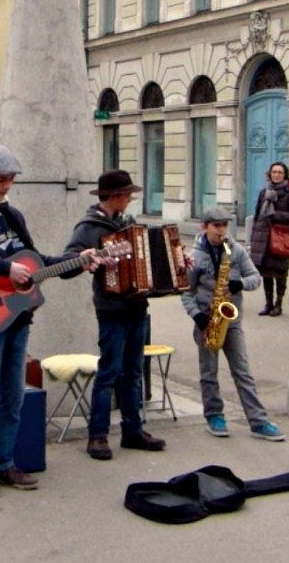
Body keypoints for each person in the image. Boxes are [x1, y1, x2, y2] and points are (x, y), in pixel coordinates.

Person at [0, 144, 99, 497]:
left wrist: (78, 261)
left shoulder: (12, 216)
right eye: (0, 180)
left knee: (12, 397)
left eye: (11, 180)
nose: (7, 187)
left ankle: (5, 464)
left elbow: (36, 263)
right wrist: (5, 267)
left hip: (16, 318)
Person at [62, 169, 166, 461]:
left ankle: (133, 430)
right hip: (110, 310)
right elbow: (68, 262)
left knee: (133, 371)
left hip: (136, 306)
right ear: (117, 196)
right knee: (108, 373)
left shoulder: (128, 224)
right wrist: (87, 259)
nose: (131, 199)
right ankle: (97, 435)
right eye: (128, 195)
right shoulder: (89, 227)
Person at [181, 206, 285, 441]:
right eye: (216, 226)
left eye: (224, 226)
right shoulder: (195, 257)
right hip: (207, 319)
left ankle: (258, 421)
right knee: (209, 372)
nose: (221, 231)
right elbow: (186, 291)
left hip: (231, 319)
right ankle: (214, 416)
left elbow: (255, 278)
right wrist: (196, 314)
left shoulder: (235, 250)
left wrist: (240, 284)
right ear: (204, 227)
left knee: (243, 371)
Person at [250, 162, 289, 317]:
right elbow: (258, 215)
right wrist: (253, 236)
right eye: (274, 172)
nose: (276, 175)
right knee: (266, 273)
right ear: (269, 174)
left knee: (280, 272)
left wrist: (274, 214)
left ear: (285, 174)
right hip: (263, 237)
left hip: (280, 237)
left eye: (280, 172)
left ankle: (278, 304)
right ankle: (268, 304)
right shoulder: (264, 192)